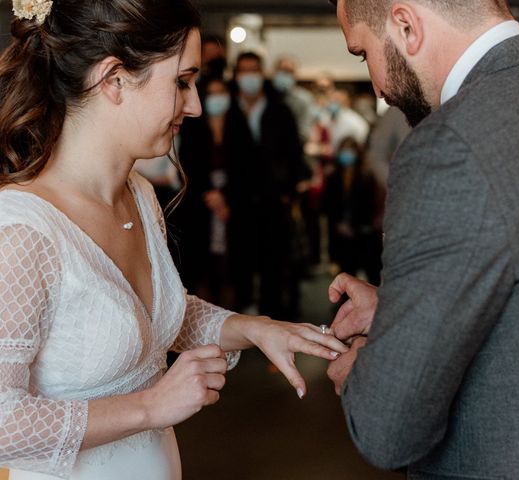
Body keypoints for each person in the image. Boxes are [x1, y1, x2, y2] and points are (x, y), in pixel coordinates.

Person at [0, 1, 348, 479]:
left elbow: (156, 319)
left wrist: (255, 328)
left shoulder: (139, 196)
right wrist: (151, 407)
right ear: (114, 80)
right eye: (182, 82)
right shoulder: (22, 230)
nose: (197, 104)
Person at [325, 0, 519, 478]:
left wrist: (359, 378)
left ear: (406, 25)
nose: (378, 88)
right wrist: (402, 305)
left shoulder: (447, 145)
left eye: (362, 54)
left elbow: (388, 430)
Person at [224, 51, 308, 319]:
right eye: (244, 70)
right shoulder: (228, 108)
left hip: (274, 198)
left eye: (254, 70)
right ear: (236, 75)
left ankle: (272, 314)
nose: (249, 76)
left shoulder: (278, 108)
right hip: (238, 199)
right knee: (241, 259)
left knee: (274, 258)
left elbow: (294, 152)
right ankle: (242, 314)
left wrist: (288, 191)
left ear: (262, 74)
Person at [322, 137, 382, 285]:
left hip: (364, 232)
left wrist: (355, 226)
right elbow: (328, 205)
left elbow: (368, 205)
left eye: (350, 150)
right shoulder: (333, 177)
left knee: (372, 273)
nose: (347, 154)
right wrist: (338, 224)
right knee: (347, 273)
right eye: (344, 150)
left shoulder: (366, 176)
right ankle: (345, 303)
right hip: (342, 235)